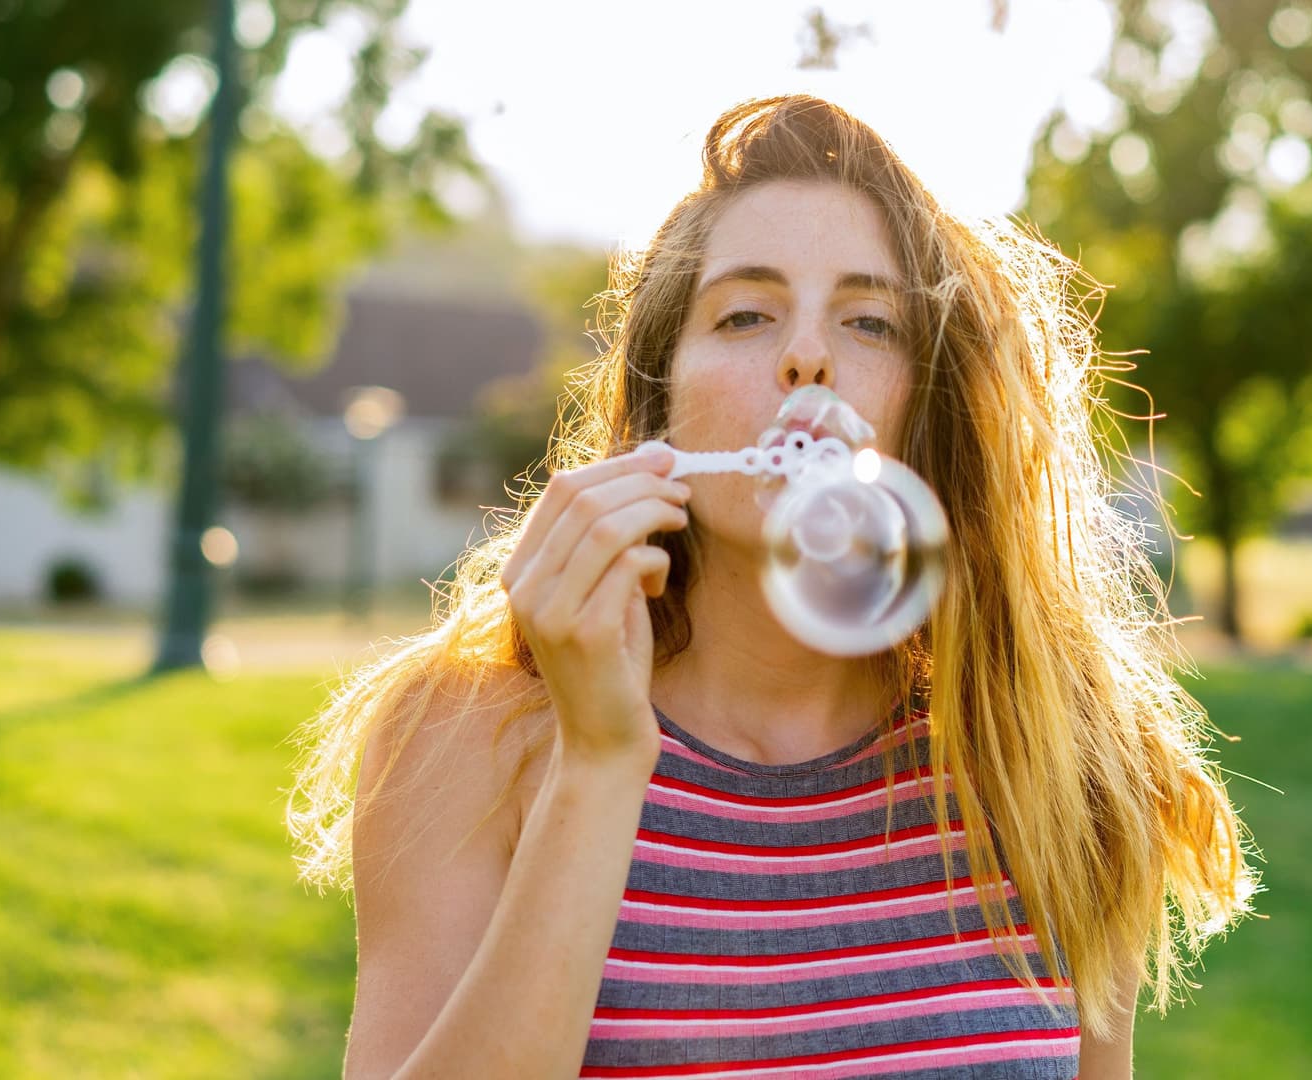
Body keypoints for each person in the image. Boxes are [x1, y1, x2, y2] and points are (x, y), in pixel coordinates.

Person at [287, 93, 1260, 1078]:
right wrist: (599, 760)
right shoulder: (470, 740)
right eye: (746, 314)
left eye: (870, 321)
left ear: (932, 408)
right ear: (660, 399)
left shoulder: (1051, 748)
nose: (809, 358)